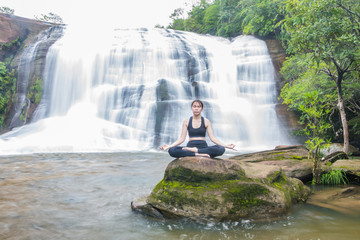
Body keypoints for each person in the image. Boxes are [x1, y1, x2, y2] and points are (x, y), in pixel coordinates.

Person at [160, 100, 236, 158]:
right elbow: (181, 139)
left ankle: (196, 151)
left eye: (198, 107)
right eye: (194, 106)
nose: (196, 108)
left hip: (203, 147)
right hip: (190, 147)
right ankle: (197, 154)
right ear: (191, 108)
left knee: (221, 149)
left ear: (202, 108)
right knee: (172, 150)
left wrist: (226, 146)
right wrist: (169, 146)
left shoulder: (206, 121)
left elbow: (213, 138)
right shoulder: (186, 121)